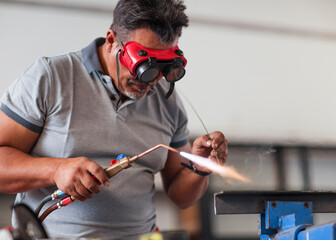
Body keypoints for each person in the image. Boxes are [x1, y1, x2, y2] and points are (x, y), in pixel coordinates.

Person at [0, 0, 228, 239]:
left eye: (162, 68)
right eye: (143, 67)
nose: (151, 81)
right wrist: (55, 170)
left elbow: (181, 197)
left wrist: (199, 169)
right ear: (111, 41)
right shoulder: (51, 78)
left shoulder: (166, 101)